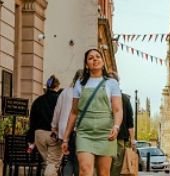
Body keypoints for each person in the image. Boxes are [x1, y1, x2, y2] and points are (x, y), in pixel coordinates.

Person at [61, 48, 123, 176]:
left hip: (106, 134)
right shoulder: (80, 84)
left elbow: (117, 110)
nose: (95, 59)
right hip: (85, 134)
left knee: (104, 173)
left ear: (103, 61)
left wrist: (116, 127)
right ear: (86, 64)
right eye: (90, 58)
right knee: (85, 171)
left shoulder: (112, 83)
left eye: (98, 57)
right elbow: (74, 112)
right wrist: (65, 138)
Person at [28, 75, 63, 176]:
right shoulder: (59, 99)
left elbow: (32, 121)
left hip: (38, 135)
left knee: (48, 163)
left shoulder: (38, 101)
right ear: (57, 86)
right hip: (53, 134)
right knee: (53, 163)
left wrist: (30, 139)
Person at [53, 70, 83, 176]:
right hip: (77, 130)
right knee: (77, 160)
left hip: (64, 130)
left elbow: (57, 110)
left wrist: (54, 126)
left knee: (69, 160)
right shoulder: (83, 91)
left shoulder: (65, 91)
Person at [108, 72, 135, 176]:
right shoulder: (103, 97)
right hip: (105, 136)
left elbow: (130, 122)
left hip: (119, 137)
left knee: (116, 165)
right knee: (113, 165)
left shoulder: (124, 99)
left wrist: (132, 140)